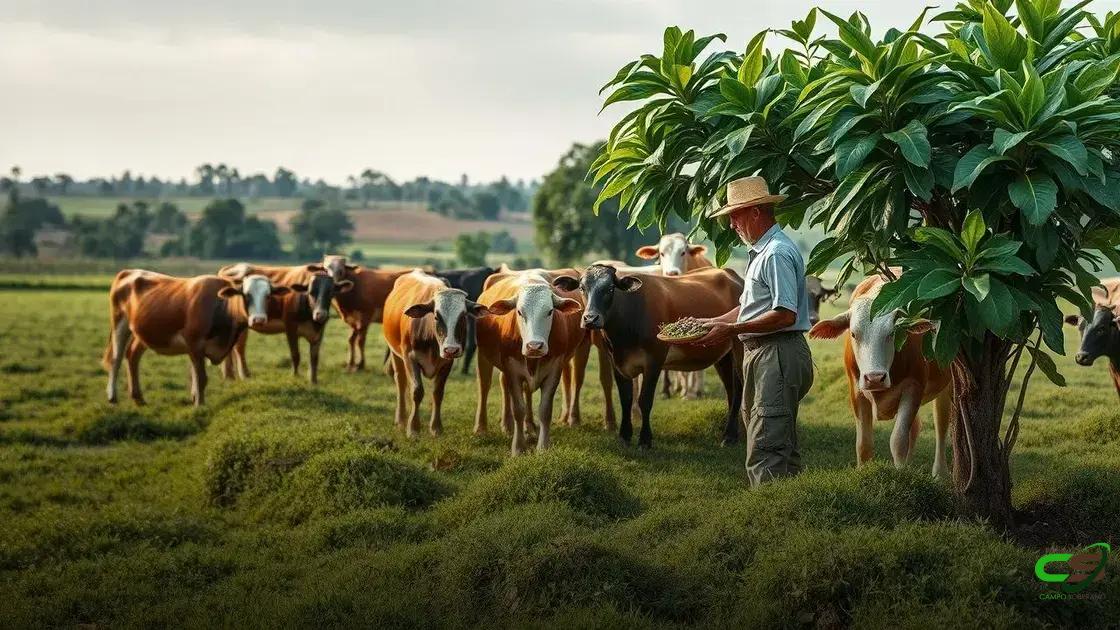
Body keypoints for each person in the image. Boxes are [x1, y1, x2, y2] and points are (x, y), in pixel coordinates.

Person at [685, 176, 813, 486]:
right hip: (765, 354)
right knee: (774, 440)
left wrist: (730, 330)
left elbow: (784, 314)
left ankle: (768, 521)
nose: (731, 225)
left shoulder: (776, 254)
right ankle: (790, 513)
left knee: (766, 447)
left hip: (777, 353)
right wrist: (713, 322)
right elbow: (749, 307)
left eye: (735, 215)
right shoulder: (761, 252)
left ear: (756, 212)